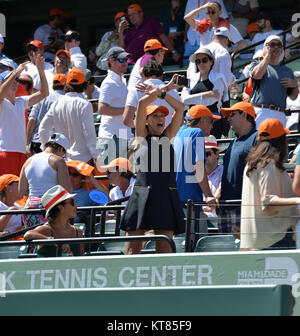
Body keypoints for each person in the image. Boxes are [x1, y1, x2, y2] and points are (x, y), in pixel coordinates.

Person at [120, 80, 186, 254]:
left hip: (165, 194)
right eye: (155, 116)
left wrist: (163, 93)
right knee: (132, 250)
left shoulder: (168, 136)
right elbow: (142, 103)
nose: (161, 119)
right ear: (146, 121)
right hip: (142, 193)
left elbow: (180, 108)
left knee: (164, 250)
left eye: (162, 115)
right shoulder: (141, 136)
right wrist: (160, 90)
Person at [240, 118, 298, 250]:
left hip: (258, 242)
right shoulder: (268, 165)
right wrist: (298, 201)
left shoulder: (252, 164)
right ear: (281, 141)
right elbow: (268, 202)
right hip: (274, 242)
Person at [174, 105, 219, 243]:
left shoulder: (179, 132)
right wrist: (209, 195)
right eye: (211, 121)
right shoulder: (197, 132)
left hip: (177, 204)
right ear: (204, 120)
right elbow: (198, 167)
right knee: (199, 250)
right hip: (190, 205)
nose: (212, 126)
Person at [0, 56, 49, 176]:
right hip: (5, 151)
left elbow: (44, 93)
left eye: (17, 80)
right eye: (11, 80)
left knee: (18, 192)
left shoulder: (21, 101)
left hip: (20, 152)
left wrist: (41, 71)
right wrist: (16, 71)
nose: (15, 82)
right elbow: (2, 93)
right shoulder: (1, 101)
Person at [39, 68, 98, 164]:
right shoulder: (84, 104)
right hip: (83, 159)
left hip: (62, 159)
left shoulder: (57, 103)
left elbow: (43, 128)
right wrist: (95, 155)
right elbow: (89, 132)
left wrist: (46, 149)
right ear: (84, 85)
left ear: (66, 84)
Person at [219, 101, 257, 235]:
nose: (228, 118)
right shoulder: (234, 141)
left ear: (244, 115)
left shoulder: (256, 138)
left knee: (242, 251)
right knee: (226, 250)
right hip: (226, 205)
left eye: (232, 114)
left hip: (243, 206)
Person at [19, 133, 72, 228]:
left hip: (30, 207)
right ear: (60, 149)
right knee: (54, 240)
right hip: (50, 207)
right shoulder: (58, 161)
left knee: (33, 240)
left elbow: (22, 191)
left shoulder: (28, 161)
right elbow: (67, 190)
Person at [250, 35, 299, 128]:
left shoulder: (287, 71)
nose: (276, 47)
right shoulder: (257, 63)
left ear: (282, 49)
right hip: (261, 111)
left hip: (280, 113)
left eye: (279, 45)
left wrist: (294, 85)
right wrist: (267, 56)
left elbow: (293, 97)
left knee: (277, 142)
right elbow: (257, 75)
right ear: (265, 47)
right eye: (272, 44)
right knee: (259, 142)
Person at [181, 47, 229, 138]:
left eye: (204, 60)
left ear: (211, 62)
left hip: (212, 123)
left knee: (209, 150)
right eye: (198, 61)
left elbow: (211, 101)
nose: (201, 63)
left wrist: (192, 99)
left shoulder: (219, 78)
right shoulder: (191, 79)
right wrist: (206, 94)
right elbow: (183, 100)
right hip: (192, 123)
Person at [24, 184, 84, 257]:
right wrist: (51, 240)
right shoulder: (47, 230)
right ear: (60, 208)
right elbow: (28, 235)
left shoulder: (78, 232)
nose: (76, 206)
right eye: (72, 202)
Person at [97, 47, 132, 165]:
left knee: (121, 180)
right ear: (111, 61)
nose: (125, 62)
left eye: (126, 59)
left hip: (120, 137)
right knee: (113, 179)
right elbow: (101, 109)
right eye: (122, 60)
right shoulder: (109, 83)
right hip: (112, 138)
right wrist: (127, 110)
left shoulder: (119, 81)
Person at [124, 60, 180, 129]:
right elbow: (180, 118)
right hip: (168, 137)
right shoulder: (173, 91)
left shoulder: (135, 90)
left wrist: (141, 127)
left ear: (143, 75)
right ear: (162, 75)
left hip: (143, 137)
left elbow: (127, 121)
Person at [26, 74, 66, 156]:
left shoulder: (42, 98)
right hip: (57, 144)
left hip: (37, 142)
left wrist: (27, 143)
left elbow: (32, 120)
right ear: (66, 86)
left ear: (53, 85)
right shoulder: (67, 100)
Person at [66, 160, 109, 224]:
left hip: (77, 227)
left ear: (82, 178)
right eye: (68, 173)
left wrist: (92, 180)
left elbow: (107, 198)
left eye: (75, 174)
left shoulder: (89, 194)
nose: (70, 177)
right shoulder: (59, 190)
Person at [203, 135, 224, 223]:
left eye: (207, 154)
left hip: (219, 221)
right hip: (199, 220)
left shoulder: (225, 172)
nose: (204, 158)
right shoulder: (194, 174)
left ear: (217, 154)